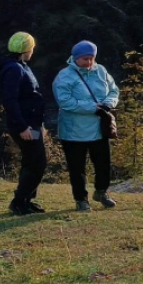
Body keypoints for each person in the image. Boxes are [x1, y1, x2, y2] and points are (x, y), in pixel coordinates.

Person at [53, 41, 119, 212]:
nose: (89, 62)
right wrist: (92, 108)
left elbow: (114, 90)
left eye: (92, 59)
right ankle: (81, 200)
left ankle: (101, 192)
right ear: (75, 58)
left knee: (104, 164)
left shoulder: (101, 71)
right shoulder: (65, 76)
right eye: (85, 59)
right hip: (73, 131)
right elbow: (65, 101)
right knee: (77, 168)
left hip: (98, 129)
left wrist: (108, 103)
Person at [0, 32, 48, 216]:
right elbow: (10, 100)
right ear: (25, 49)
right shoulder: (14, 69)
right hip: (24, 124)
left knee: (32, 161)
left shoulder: (20, 66)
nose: (33, 50)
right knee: (37, 162)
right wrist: (22, 127)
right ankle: (19, 201)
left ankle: (26, 200)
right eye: (32, 47)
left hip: (31, 122)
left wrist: (39, 124)